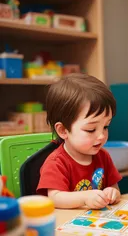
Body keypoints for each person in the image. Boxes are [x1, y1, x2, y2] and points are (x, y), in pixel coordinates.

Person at [37, 73, 122, 209]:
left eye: (105, 126)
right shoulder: (56, 162)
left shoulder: (103, 156)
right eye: (91, 129)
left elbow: (114, 187)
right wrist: (85, 198)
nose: (101, 136)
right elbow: (55, 198)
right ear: (63, 130)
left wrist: (112, 193)